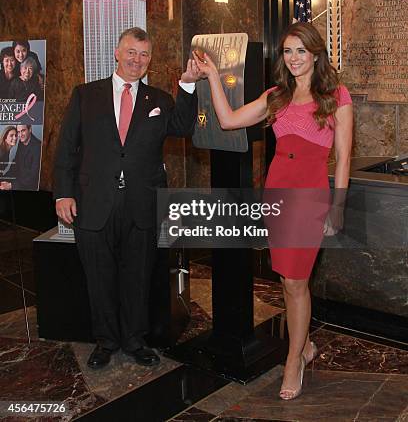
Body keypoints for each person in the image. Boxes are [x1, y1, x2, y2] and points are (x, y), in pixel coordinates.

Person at [193, 22, 353, 400]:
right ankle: (305, 345)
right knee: (286, 280)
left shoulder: (336, 95)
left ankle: (293, 360)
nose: (294, 58)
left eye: (301, 50)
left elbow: (344, 157)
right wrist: (214, 75)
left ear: (315, 54)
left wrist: (339, 207)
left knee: (297, 281)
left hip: (311, 198)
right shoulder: (276, 96)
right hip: (277, 195)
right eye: (287, 51)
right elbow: (229, 120)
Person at [54, 27, 201, 370]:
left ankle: (135, 341)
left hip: (141, 205)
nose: (137, 60)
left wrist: (189, 82)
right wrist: (63, 193)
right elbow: (67, 149)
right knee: (99, 277)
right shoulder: (85, 95)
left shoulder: (159, 100)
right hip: (92, 203)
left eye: (144, 54)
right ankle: (105, 342)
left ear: (150, 60)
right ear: (117, 54)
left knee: (137, 277)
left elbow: (182, 126)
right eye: (131, 52)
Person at [13, 124, 42, 191]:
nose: (20, 135)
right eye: (18, 132)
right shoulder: (21, 142)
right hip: (18, 183)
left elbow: (33, 177)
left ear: (30, 129)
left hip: (29, 189)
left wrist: (12, 185)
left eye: (23, 131)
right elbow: (16, 162)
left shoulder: (38, 147)